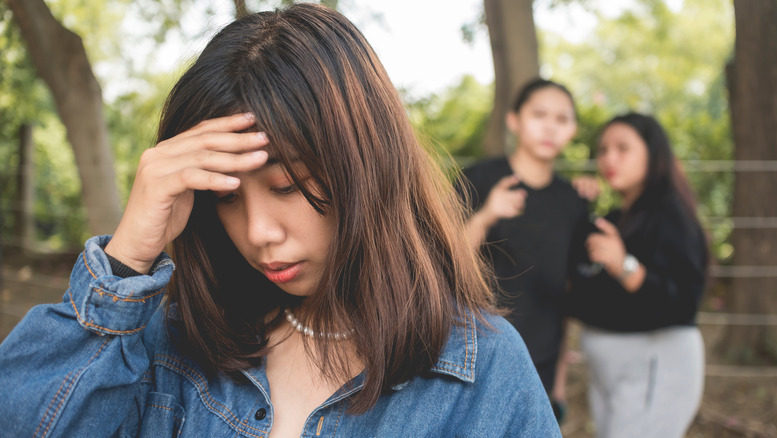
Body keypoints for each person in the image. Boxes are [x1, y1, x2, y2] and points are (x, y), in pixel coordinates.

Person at [0, 4, 561, 437]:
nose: (258, 232)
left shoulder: (482, 371)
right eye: (225, 197)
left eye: (287, 187)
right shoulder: (168, 341)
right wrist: (124, 260)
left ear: (363, 167)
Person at [567, 112, 708, 438]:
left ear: (653, 153)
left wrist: (625, 266)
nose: (608, 158)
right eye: (602, 150)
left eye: (622, 148)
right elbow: (579, 283)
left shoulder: (671, 215)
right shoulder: (617, 217)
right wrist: (576, 209)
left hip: (655, 370)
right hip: (612, 374)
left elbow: (685, 302)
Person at [457, 78, 590, 419]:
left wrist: (558, 382)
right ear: (514, 120)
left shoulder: (572, 202)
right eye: (539, 114)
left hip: (539, 366)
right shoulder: (477, 179)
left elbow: (567, 294)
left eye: (562, 119)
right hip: (471, 357)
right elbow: (441, 262)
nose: (550, 127)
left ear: (573, 129)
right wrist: (486, 216)